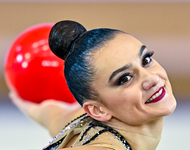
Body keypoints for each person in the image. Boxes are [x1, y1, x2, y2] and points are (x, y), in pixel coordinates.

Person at [10, 20, 177, 150]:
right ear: (98, 110)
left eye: (146, 60)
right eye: (125, 78)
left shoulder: (78, 120)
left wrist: (24, 102)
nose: (152, 79)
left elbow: (49, 112)